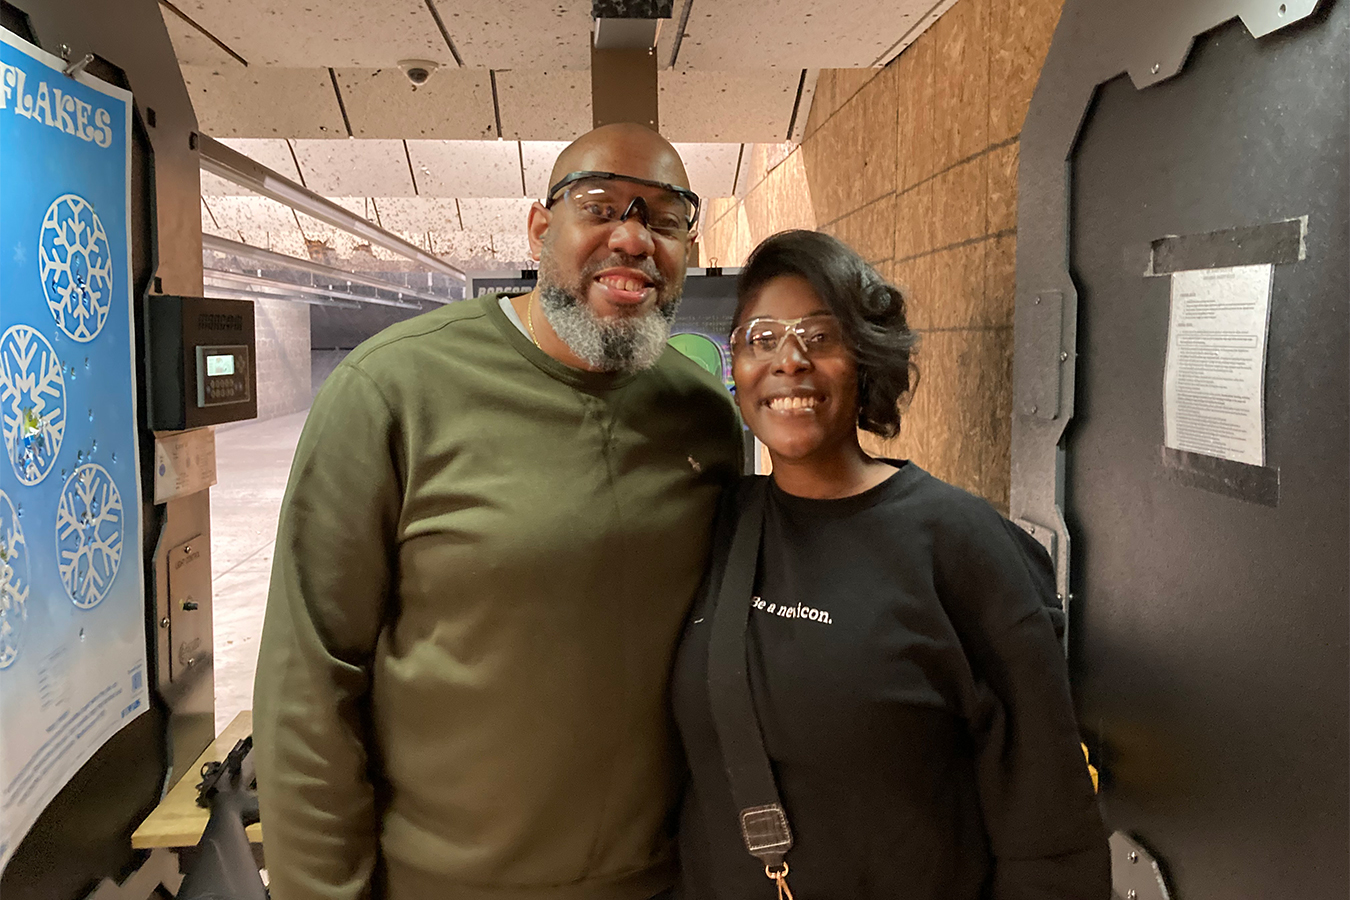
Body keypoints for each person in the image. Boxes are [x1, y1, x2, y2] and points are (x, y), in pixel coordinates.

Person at [252, 123, 743, 900]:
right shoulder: (395, 388)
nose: (634, 237)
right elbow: (310, 681)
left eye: (665, 216)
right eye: (602, 205)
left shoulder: (704, 417)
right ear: (541, 228)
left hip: (667, 880)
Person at [673, 230, 1111, 899]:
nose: (789, 360)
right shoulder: (717, 524)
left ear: (864, 358)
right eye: (761, 338)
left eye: (820, 337)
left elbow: (1050, 824)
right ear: (736, 369)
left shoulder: (963, 545)